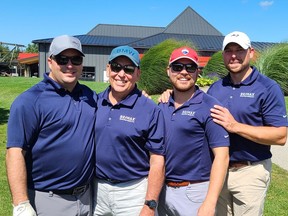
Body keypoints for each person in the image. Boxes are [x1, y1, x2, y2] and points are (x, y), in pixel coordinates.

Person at [6, 35, 97, 216]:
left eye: (76, 59)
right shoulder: (30, 101)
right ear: (50, 61)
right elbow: (15, 152)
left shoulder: (91, 96)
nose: (70, 65)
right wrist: (21, 202)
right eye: (63, 59)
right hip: (48, 200)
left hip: (87, 197)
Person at [207, 31, 288, 216]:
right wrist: (169, 95)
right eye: (229, 51)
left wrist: (234, 126)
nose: (234, 55)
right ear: (223, 55)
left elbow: (280, 136)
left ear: (251, 52)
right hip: (218, 171)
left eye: (239, 50)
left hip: (250, 172)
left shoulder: (268, 88)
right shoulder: (216, 88)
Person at [93, 45, 166, 216]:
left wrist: (150, 204)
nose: (121, 74)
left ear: (137, 74)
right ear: (108, 69)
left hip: (133, 192)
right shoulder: (94, 102)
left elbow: (157, 160)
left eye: (128, 69)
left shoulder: (150, 109)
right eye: (116, 67)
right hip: (97, 190)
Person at [157, 46, 230, 216]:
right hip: (162, 191)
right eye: (177, 67)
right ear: (168, 71)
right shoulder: (161, 105)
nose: (183, 72)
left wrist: (210, 203)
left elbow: (222, 156)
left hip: (195, 193)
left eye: (190, 67)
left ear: (198, 72)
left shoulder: (210, 106)